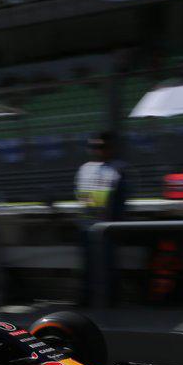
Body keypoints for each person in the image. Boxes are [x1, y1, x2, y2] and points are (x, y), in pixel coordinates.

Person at [75, 131, 129, 307]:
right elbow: (82, 197)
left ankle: (111, 299)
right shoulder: (84, 169)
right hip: (87, 225)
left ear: (110, 148)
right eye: (93, 146)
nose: (97, 150)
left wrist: (117, 226)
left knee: (108, 264)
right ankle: (87, 298)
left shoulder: (119, 169)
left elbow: (121, 200)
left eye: (101, 146)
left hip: (108, 226)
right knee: (87, 265)